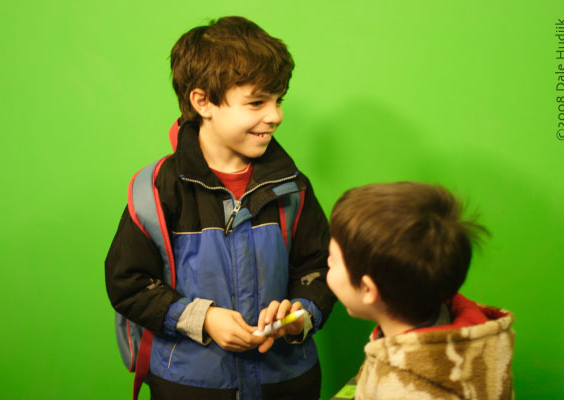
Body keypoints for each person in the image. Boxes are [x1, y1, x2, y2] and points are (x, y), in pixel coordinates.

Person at [105, 16, 335, 400]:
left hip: (287, 383)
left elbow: (321, 268)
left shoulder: (294, 187)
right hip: (189, 387)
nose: (275, 115)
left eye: (278, 101)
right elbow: (128, 284)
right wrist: (204, 318)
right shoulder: (155, 191)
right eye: (257, 102)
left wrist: (298, 316)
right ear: (203, 101)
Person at [327, 182, 514, 400]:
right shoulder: (453, 323)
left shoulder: (402, 391)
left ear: (368, 289)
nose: (327, 261)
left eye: (334, 259)